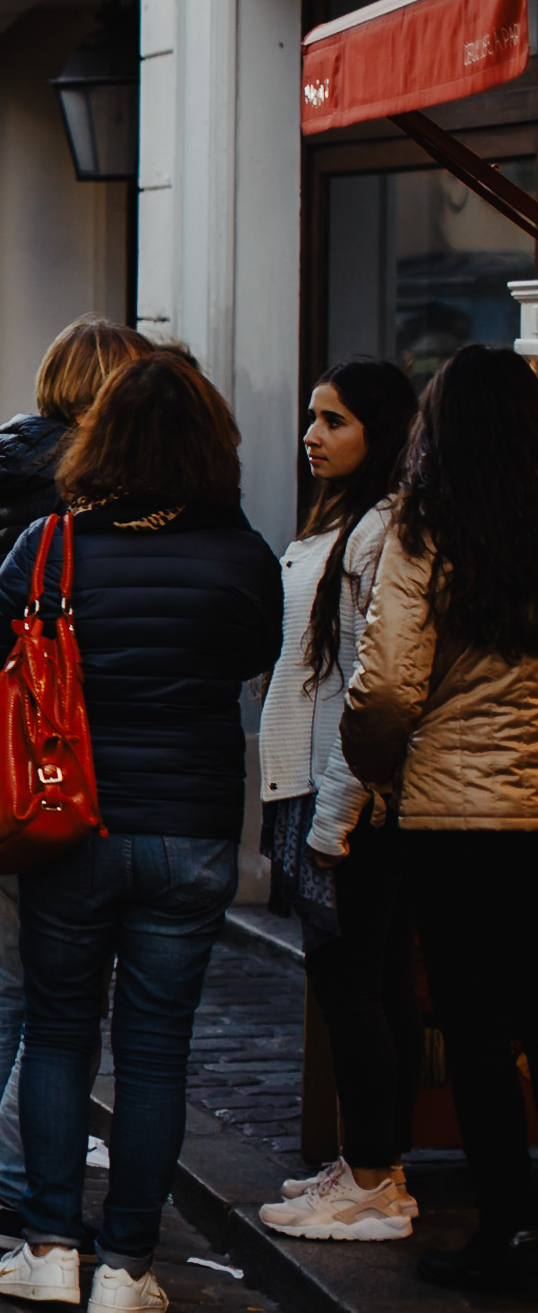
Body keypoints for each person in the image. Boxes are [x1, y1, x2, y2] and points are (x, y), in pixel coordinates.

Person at [0, 349, 281, 1312]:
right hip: (189, 829)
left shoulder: (54, 544)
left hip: (76, 819)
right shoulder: (243, 555)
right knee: (156, 1050)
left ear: (100, 441)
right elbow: (255, 658)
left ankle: (53, 1247)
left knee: (59, 1034)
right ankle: (130, 1268)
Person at [0, 317, 151, 1246]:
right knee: (64, 999)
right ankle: (7, 1177)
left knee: (7, 983)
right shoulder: (96, 493)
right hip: (68, 765)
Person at [342, 345, 538, 1297]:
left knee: (474, 1029)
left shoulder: (426, 531)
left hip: (458, 820)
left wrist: (376, 769)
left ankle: (505, 1224)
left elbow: (385, 689)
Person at [249, 357, 421, 1244]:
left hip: (341, 793)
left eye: (334, 420)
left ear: (379, 432)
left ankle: (376, 1181)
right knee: (363, 982)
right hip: (315, 784)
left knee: (355, 986)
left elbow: (372, 686)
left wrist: (333, 817)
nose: (312, 435)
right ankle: (368, 1164)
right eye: (312, 417)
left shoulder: (381, 531)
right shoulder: (346, 522)